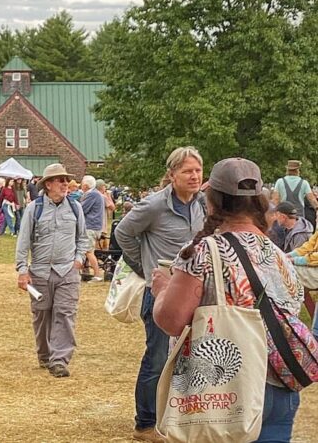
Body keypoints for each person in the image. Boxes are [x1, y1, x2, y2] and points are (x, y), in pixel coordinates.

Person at [152, 157, 303, 442]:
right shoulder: (280, 256)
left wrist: (162, 288)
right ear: (259, 202)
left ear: (212, 201)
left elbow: (171, 321)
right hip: (279, 386)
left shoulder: (202, 252)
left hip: (221, 393)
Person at [114, 146, 205, 442]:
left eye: (197, 170)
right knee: (156, 358)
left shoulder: (204, 204)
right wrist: (143, 266)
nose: (194, 176)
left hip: (195, 293)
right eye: (187, 171)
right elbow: (123, 233)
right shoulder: (153, 206)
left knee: (192, 357)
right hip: (161, 295)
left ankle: (179, 417)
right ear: (172, 174)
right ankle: (145, 423)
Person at [15, 163, 87, 378]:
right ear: (48, 184)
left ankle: (59, 360)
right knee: (42, 314)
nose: (66, 184)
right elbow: (23, 241)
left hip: (67, 271)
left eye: (66, 180)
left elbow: (82, 237)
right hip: (39, 272)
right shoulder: (34, 208)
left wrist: (79, 259)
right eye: (60, 180)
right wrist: (21, 270)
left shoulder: (76, 208)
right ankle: (45, 355)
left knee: (65, 314)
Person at [272, 160, 318, 228]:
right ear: (297, 170)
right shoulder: (304, 183)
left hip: (284, 216)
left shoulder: (280, 182)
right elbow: (312, 199)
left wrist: (275, 213)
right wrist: (317, 208)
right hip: (299, 217)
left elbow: (275, 199)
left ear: (287, 170)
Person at [79, 175, 106, 281]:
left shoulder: (92, 195)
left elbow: (82, 209)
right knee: (86, 250)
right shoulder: (95, 194)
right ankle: (86, 272)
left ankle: (97, 275)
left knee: (89, 251)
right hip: (94, 226)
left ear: (85, 185)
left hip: (91, 226)